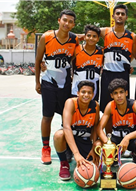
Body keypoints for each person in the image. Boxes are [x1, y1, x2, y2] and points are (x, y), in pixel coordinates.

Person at [35, 9, 78, 165]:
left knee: (65, 117)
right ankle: (45, 148)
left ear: (73, 25)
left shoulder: (74, 40)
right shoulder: (46, 37)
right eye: (64, 20)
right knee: (47, 116)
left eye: (70, 21)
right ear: (59, 20)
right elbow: (38, 59)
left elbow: (73, 56)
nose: (67, 24)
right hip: (48, 83)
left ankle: (65, 147)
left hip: (66, 84)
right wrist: (37, 82)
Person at [96, 78, 136, 166]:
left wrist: (127, 138)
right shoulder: (110, 106)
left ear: (126, 93)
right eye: (115, 93)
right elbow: (99, 128)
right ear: (111, 95)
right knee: (99, 145)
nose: (119, 96)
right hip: (116, 137)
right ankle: (115, 155)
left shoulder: (134, 104)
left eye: (121, 92)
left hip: (132, 138)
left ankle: (135, 154)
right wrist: (108, 144)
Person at [53, 81, 100, 180]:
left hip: (84, 140)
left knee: (92, 168)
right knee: (59, 135)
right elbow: (66, 127)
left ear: (93, 94)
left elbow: (95, 127)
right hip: (69, 139)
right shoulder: (71, 103)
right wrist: (76, 153)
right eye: (83, 92)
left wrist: (93, 149)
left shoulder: (95, 105)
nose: (86, 95)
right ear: (78, 93)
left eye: (89, 92)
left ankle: (83, 153)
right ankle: (64, 164)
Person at [99, 4, 136, 113]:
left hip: (122, 74)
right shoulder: (105, 32)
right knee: (107, 106)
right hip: (107, 73)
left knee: (122, 105)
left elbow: (134, 54)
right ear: (113, 16)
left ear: (126, 17)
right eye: (117, 13)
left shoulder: (132, 36)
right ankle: (108, 130)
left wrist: (125, 63)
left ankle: (121, 129)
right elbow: (87, 35)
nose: (120, 16)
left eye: (122, 14)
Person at [71, 25, 103, 101]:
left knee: (92, 110)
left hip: (93, 88)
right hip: (77, 87)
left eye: (94, 36)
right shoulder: (77, 49)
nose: (91, 38)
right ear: (84, 37)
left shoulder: (101, 52)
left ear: (98, 39)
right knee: (75, 109)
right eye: (88, 35)